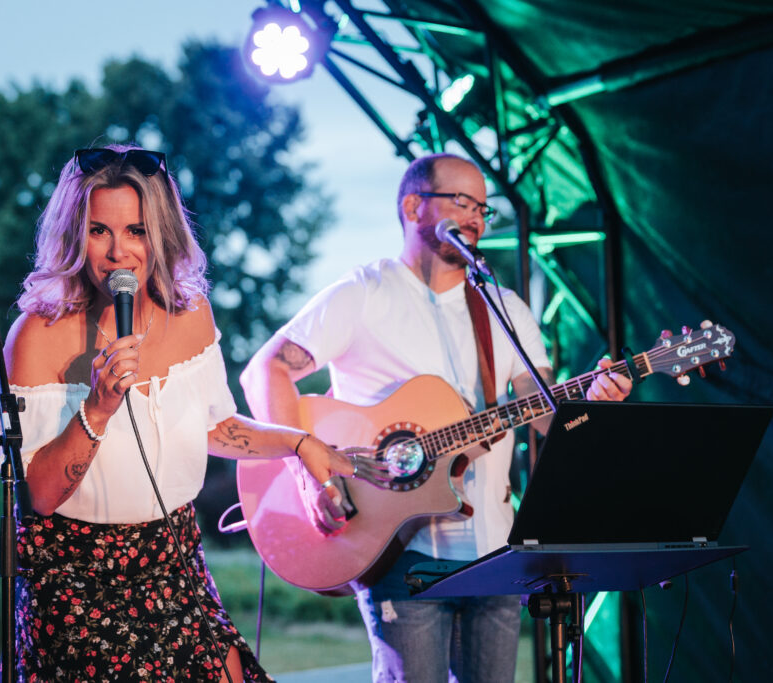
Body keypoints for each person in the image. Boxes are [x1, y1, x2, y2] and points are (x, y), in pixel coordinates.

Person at [0, 144, 381, 682]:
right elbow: (36, 495)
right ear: (73, 235)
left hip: (171, 555)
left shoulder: (189, 310)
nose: (118, 252)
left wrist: (298, 444)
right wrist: (98, 409)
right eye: (98, 230)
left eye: (136, 231)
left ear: (162, 233)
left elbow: (215, 426)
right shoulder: (38, 333)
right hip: (77, 574)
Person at [240, 153, 632, 682]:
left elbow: (543, 413)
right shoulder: (363, 292)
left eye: (484, 209)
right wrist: (309, 474)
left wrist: (593, 403)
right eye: (462, 202)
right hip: (398, 551)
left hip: (494, 550)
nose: (476, 218)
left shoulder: (504, 307)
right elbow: (265, 370)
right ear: (412, 206)